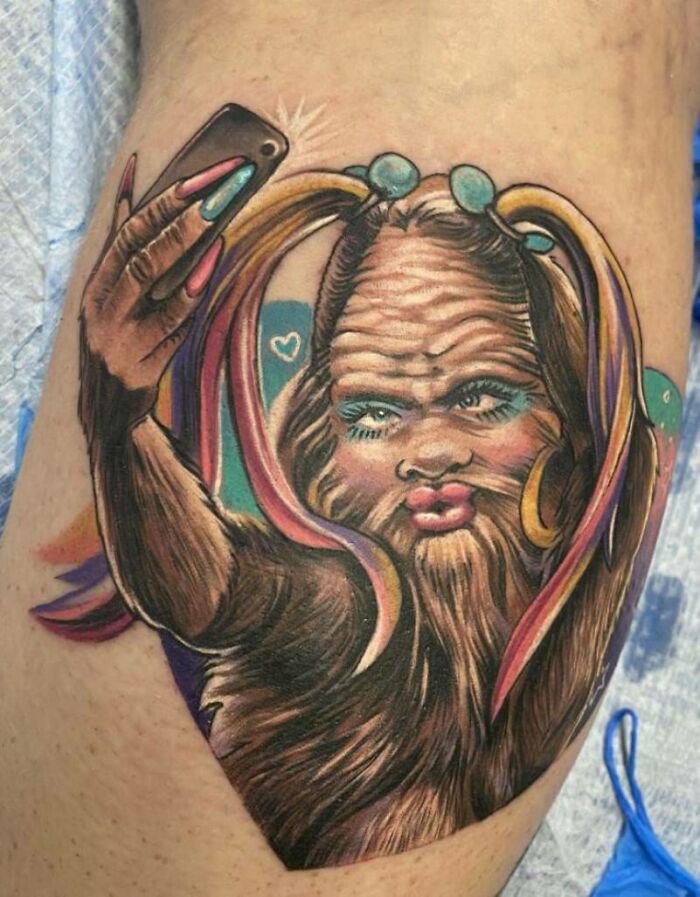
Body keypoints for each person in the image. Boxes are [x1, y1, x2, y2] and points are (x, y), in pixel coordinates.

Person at [1, 2, 698, 894]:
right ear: (320, 438)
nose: (428, 451)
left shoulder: (582, 566)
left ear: (562, 412)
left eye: (481, 398)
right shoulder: (348, 603)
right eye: (372, 413)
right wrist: (120, 417)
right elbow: (216, 582)